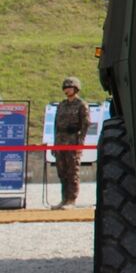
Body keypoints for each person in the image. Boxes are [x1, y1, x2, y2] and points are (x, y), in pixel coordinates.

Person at [52, 76, 90, 209]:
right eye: (65, 87)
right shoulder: (62, 105)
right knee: (61, 171)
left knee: (72, 171)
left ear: (75, 88)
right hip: (60, 141)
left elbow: (86, 124)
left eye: (69, 87)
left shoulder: (81, 105)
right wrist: (54, 143)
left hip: (73, 140)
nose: (67, 90)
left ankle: (71, 200)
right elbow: (56, 125)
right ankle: (64, 199)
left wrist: (80, 141)